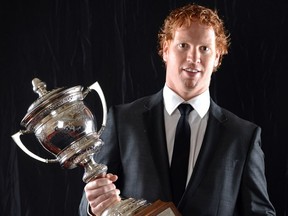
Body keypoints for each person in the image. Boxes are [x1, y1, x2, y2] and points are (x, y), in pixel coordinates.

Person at [79, 3, 276, 216]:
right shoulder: (123, 121)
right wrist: (93, 207)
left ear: (217, 57)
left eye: (204, 48)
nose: (193, 58)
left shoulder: (243, 136)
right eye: (183, 46)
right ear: (165, 49)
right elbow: (87, 207)